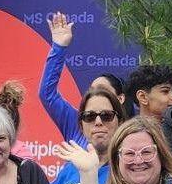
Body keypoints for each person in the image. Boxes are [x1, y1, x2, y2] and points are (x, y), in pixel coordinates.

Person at [38, 11, 128, 143]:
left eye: (103, 89)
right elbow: (47, 94)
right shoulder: (76, 124)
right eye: (92, 90)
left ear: (120, 98)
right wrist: (58, 48)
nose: (96, 94)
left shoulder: (130, 135)